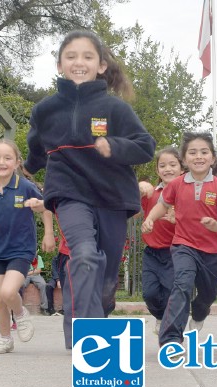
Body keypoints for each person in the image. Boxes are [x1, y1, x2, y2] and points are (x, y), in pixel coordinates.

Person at [23, 30, 156, 350]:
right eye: (71, 56)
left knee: (106, 278)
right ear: (59, 65)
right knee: (82, 253)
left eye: (86, 56)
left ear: (101, 65)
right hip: (68, 193)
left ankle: (101, 307)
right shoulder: (45, 110)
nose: (78, 62)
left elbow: (145, 147)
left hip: (111, 196)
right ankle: (87, 338)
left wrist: (115, 146)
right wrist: (29, 167)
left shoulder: (115, 109)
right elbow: (36, 147)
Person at [142, 132, 217, 349]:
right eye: (192, 152)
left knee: (208, 294)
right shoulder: (176, 184)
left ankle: (200, 312)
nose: (198, 156)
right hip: (184, 245)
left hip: (213, 251)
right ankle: (171, 339)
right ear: (185, 159)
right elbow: (162, 205)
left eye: (204, 152)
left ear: (212, 158)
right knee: (181, 285)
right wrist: (150, 219)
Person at [0, 139, 54, 354]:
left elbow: (45, 207)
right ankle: (4, 338)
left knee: (9, 292)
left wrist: (48, 233)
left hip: (21, 249)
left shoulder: (25, 186)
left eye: (7, 158)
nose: (1, 162)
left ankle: (20, 314)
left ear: (17, 162)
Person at [138, 147, 183, 335]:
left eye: (173, 164)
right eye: (162, 165)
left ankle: (171, 328)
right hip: (152, 252)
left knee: (171, 293)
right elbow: (131, 202)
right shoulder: (152, 194)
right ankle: (160, 317)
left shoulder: (186, 194)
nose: (168, 169)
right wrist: (139, 186)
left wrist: (177, 219)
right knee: (150, 293)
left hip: (176, 252)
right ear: (157, 170)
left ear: (182, 169)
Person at [45, 242, 69, 316]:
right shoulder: (54, 259)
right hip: (55, 277)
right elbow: (54, 270)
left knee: (66, 287)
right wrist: (58, 280)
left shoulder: (67, 258)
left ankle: (65, 309)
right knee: (49, 286)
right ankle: (50, 309)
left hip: (64, 277)